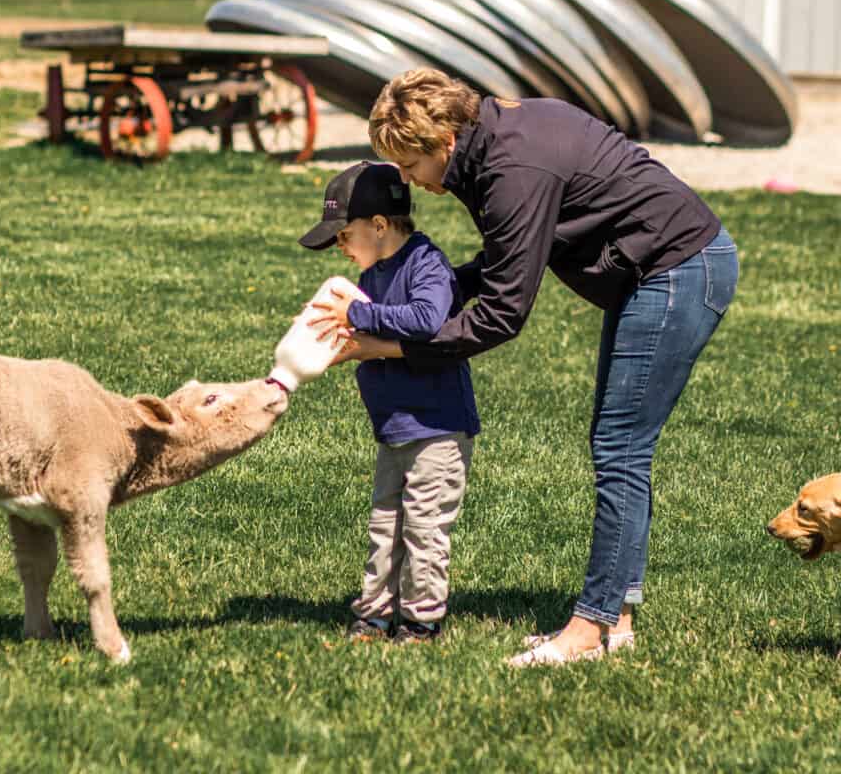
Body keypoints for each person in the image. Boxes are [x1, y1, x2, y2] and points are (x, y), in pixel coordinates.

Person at [312, 69, 738, 666]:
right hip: (656, 273)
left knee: (620, 446)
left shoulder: (512, 168)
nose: (409, 182)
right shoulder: (491, 142)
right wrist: (417, 297)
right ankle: (615, 617)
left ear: (445, 142)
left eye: (410, 165)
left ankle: (588, 630)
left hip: (677, 271)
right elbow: (510, 254)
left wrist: (393, 347)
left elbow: (503, 315)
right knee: (619, 446)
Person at [298, 161, 480, 645]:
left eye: (344, 234)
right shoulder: (373, 275)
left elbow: (425, 318)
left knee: (423, 530)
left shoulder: (426, 264)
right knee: (385, 526)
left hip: (436, 429)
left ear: (379, 226)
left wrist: (357, 313)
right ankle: (375, 614)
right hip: (394, 429)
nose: (339, 246)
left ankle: (421, 621)